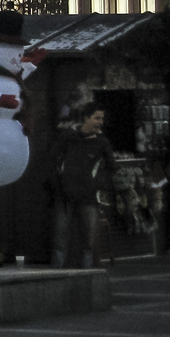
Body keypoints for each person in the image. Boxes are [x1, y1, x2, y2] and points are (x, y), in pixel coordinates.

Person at [50, 102, 116, 269]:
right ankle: (57, 273)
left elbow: (112, 167)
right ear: (86, 118)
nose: (99, 122)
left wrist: (98, 184)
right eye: (96, 118)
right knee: (60, 238)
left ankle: (86, 273)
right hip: (65, 195)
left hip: (88, 196)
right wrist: (58, 184)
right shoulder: (68, 137)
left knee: (88, 239)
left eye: (102, 119)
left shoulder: (102, 143)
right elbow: (52, 160)